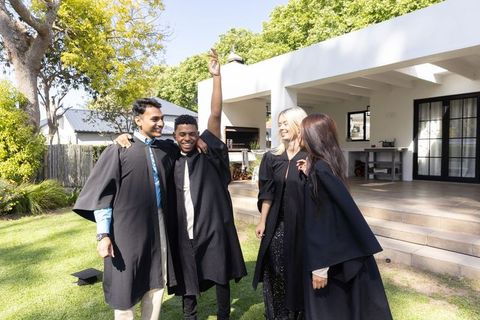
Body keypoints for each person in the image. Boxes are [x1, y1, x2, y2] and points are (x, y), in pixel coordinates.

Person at [73, 97, 179, 320]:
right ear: (138, 120)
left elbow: (186, 146)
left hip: (158, 226)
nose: (161, 123)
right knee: (125, 283)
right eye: (155, 119)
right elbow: (104, 194)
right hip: (125, 229)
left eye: (162, 119)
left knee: (156, 280)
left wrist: (199, 141)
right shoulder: (120, 150)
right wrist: (103, 235)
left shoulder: (165, 149)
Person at [169, 49, 247, 320]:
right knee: (187, 276)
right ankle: (190, 316)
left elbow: (216, 112)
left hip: (213, 225)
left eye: (192, 133)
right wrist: (124, 137)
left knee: (220, 272)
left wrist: (216, 76)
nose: (188, 138)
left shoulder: (208, 149)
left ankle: (224, 315)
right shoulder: (171, 158)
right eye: (183, 134)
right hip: (185, 228)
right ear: (175, 135)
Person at [298, 113, 392, 320]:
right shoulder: (326, 165)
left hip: (328, 260)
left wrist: (320, 267)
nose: (300, 137)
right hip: (339, 256)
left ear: (314, 137)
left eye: (303, 133)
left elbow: (326, 219)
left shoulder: (321, 170)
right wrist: (309, 173)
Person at [253, 106, 308, 320]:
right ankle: (277, 315)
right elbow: (267, 193)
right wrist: (262, 221)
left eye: (286, 123)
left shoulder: (310, 157)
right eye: (280, 124)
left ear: (298, 124)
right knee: (276, 269)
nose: (282, 128)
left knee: (298, 270)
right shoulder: (272, 157)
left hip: (303, 225)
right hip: (278, 223)